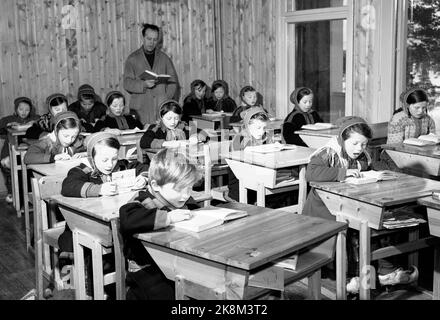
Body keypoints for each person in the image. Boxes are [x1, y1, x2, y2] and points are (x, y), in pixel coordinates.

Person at [303, 116, 418, 295]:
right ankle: (354, 281)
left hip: (350, 204)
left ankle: (372, 280)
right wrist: (343, 172)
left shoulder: (362, 154)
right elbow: (311, 173)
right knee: (356, 234)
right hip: (324, 210)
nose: (359, 149)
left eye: (364, 145)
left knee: (371, 228)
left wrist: (383, 173)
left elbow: (369, 168)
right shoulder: (328, 152)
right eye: (355, 143)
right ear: (343, 139)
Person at [119, 148, 202, 299]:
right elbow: (127, 219)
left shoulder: (182, 199)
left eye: (190, 188)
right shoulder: (142, 200)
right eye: (179, 189)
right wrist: (169, 218)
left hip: (177, 264)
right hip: (148, 270)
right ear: (156, 185)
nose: (186, 194)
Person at [123, 23, 179, 125]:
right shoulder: (132, 59)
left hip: (160, 108)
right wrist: (143, 84)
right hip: (140, 111)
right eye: (149, 39)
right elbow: (127, 83)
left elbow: (173, 82)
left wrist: (166, 99)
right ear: (143, 37)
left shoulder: (164, 58)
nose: (151, 42)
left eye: (155, 39)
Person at [379, 87, 436, 171]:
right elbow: (394, 146)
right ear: (407, 105)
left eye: (424, 108)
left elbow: (432, 141)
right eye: (417, 108)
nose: (420, 111)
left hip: (419, 156)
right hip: (394, 156)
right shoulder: (398, 119)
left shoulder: (428, 119)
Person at [228, 107, 274, 202]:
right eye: (258, 128)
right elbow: (238, 167)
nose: (261, 132)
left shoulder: (266, 138)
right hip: (240, 180)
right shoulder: (240, 139)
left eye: (264, 128)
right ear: (248, 126)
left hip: (259, 177)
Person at [0, 97, 39, 203]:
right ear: (16, 109)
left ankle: (30, 194)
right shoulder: (9, 119)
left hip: (28, 152)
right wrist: (8, 125)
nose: (24, 112)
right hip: (10, 152)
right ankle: (11, 192)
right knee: (8, 167)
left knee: (29, 171)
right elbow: (1, 127)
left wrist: (35, 123)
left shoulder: (34, 118)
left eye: (27, 110)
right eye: (21, 109)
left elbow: (42, 121)